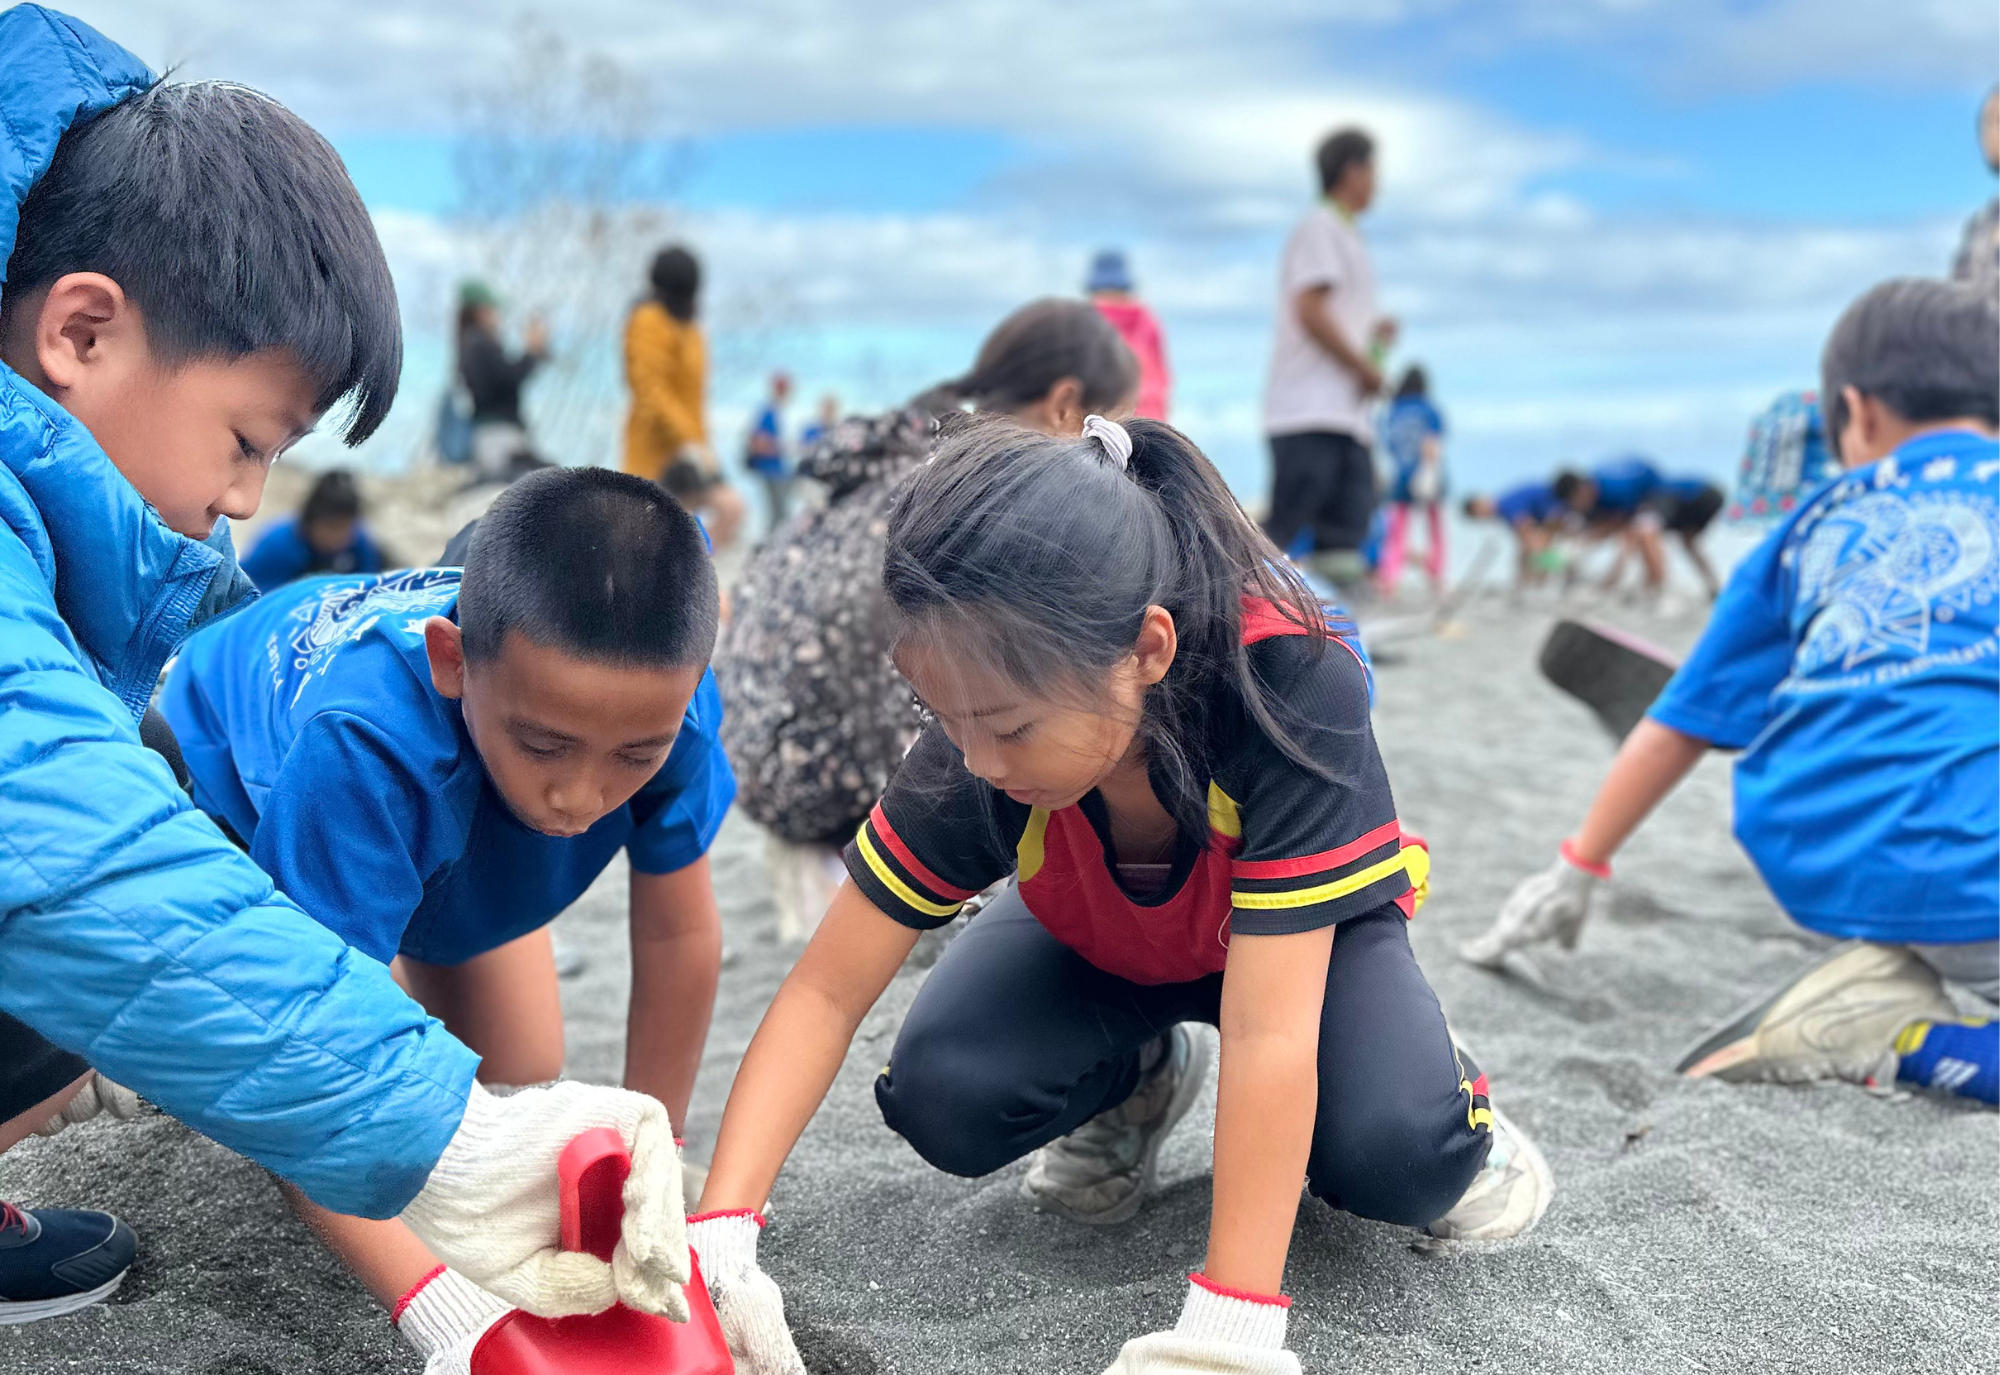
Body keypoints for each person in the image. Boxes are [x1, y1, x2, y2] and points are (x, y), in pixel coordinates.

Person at [0, 6, 688, 1333]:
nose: (242, 498)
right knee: (109, 882)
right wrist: (454, 1140)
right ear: (81, 333)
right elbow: (50, 834)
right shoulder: (365, 725)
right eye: (248, 439)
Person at [692, 414, 1554, 1375]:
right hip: (1106, 942)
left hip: (1301, 954)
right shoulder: (980, 733)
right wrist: (721, 1230)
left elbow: (1270, 1032)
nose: (976, 759)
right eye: (948, 719)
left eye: (1009, 728)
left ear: (1147, 649)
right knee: (948, 1096)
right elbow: (825, 989)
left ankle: (1454, 1095)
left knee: (1395, 1153)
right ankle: (1144, 1072)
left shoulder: (1287, 684)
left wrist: (1228, 1328)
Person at [162, 467, 732, 1366]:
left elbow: (677, 934)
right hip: (223, 774)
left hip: (448, 812)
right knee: (274, 1055)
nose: (580, 794)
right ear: (451, 661)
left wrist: (654, 1151)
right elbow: (298, 1079)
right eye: (546, 744)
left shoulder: (672, 707)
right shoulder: (365, 747)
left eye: (634, 754)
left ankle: (413, 896)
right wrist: (451, 1316)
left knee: (520, 1067)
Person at [1463, 279, 2000, 1108]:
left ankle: (1897, 959)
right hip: (1976, 871)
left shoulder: (1806, 526)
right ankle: (1908, 1038)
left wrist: (1579, 864)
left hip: (1817, 859)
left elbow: (1673, 720)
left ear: (1856, 413)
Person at [713, 299, 1138, 940]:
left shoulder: (904, 448)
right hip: (849, 794)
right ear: (1065, 404)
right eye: (1110, 431)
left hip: (761, 770)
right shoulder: (982, 494)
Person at [1262, 127, 1397, 588]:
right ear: (1352, 171)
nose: (1377, 182)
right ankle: (1248, 629)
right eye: (1373, 170)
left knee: (1348, 527)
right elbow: (1310, 308)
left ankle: (1338, 632)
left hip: (1345, 414)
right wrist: (1364, 367)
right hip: (1307, 409)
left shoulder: (1347, 233)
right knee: (1286, 527)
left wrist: (1373, 342)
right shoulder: (1320, 225)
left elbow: (1336, 318)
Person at [622, 244, 746, 549]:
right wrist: (691, 444)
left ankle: (695, 578)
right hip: (654, 456)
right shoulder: (647, 319)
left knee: (731, 510)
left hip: (691, 452)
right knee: (656, 539)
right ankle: (682, 584)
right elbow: (650, 391)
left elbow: (694, 401)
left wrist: (702, 451)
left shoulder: (692, 329)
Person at [455, 280, 549, 482]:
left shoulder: (468, 344)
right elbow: (510, 378)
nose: (499, 317)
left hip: (488, 435)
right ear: (481, 312)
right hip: (500, 436)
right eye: (494, 310)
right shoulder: (481, 344)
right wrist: (531, 351)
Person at [238, 468, 388, 591]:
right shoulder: (277, 546)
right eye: (331, 527)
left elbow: (370, 587)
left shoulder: (358, 542)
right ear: (310, 520)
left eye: (346, 528)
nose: (339, 536)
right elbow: (250, 598)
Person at [1376, 366, 1447, 597]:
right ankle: (1437, 579)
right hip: (1426, 472)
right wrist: (1428, 472)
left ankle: (1389, 580)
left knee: (1397, 530)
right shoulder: (1428, 409)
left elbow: (1388, 446)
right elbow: (1431, 443)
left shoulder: (1392, 411)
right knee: (1435, 527)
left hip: (1401, 476)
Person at [1087, 249, 1171, 420]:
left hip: (1097, 423)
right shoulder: (1148, 321)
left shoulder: (1085, 321)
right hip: (1149, 423)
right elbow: (1161, 378)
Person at [1463, 480, 1568, 587]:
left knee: (1532, 549)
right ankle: (1542, 579)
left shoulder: (1507, 507)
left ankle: (1557, 570)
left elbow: (1529, 532)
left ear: (1479, 505)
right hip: (1552, 512)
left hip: (1558, 506)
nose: (1483, 518)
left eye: (1479, 514)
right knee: (1532, 548)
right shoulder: (1505, 507)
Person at [1950, 85, 1998, 292]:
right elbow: (1957, 298)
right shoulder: (1981, 226)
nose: (1988, 133)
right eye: (1983, 124)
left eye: (1996, 120)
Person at [745, 370, 792, 534]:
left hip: (779, 469)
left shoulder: (777, 411)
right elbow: (758, 442)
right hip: (770, 469)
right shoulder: (768, 411)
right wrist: (780, 446)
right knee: (779, 514)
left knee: (780, 513)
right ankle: (772, 549)